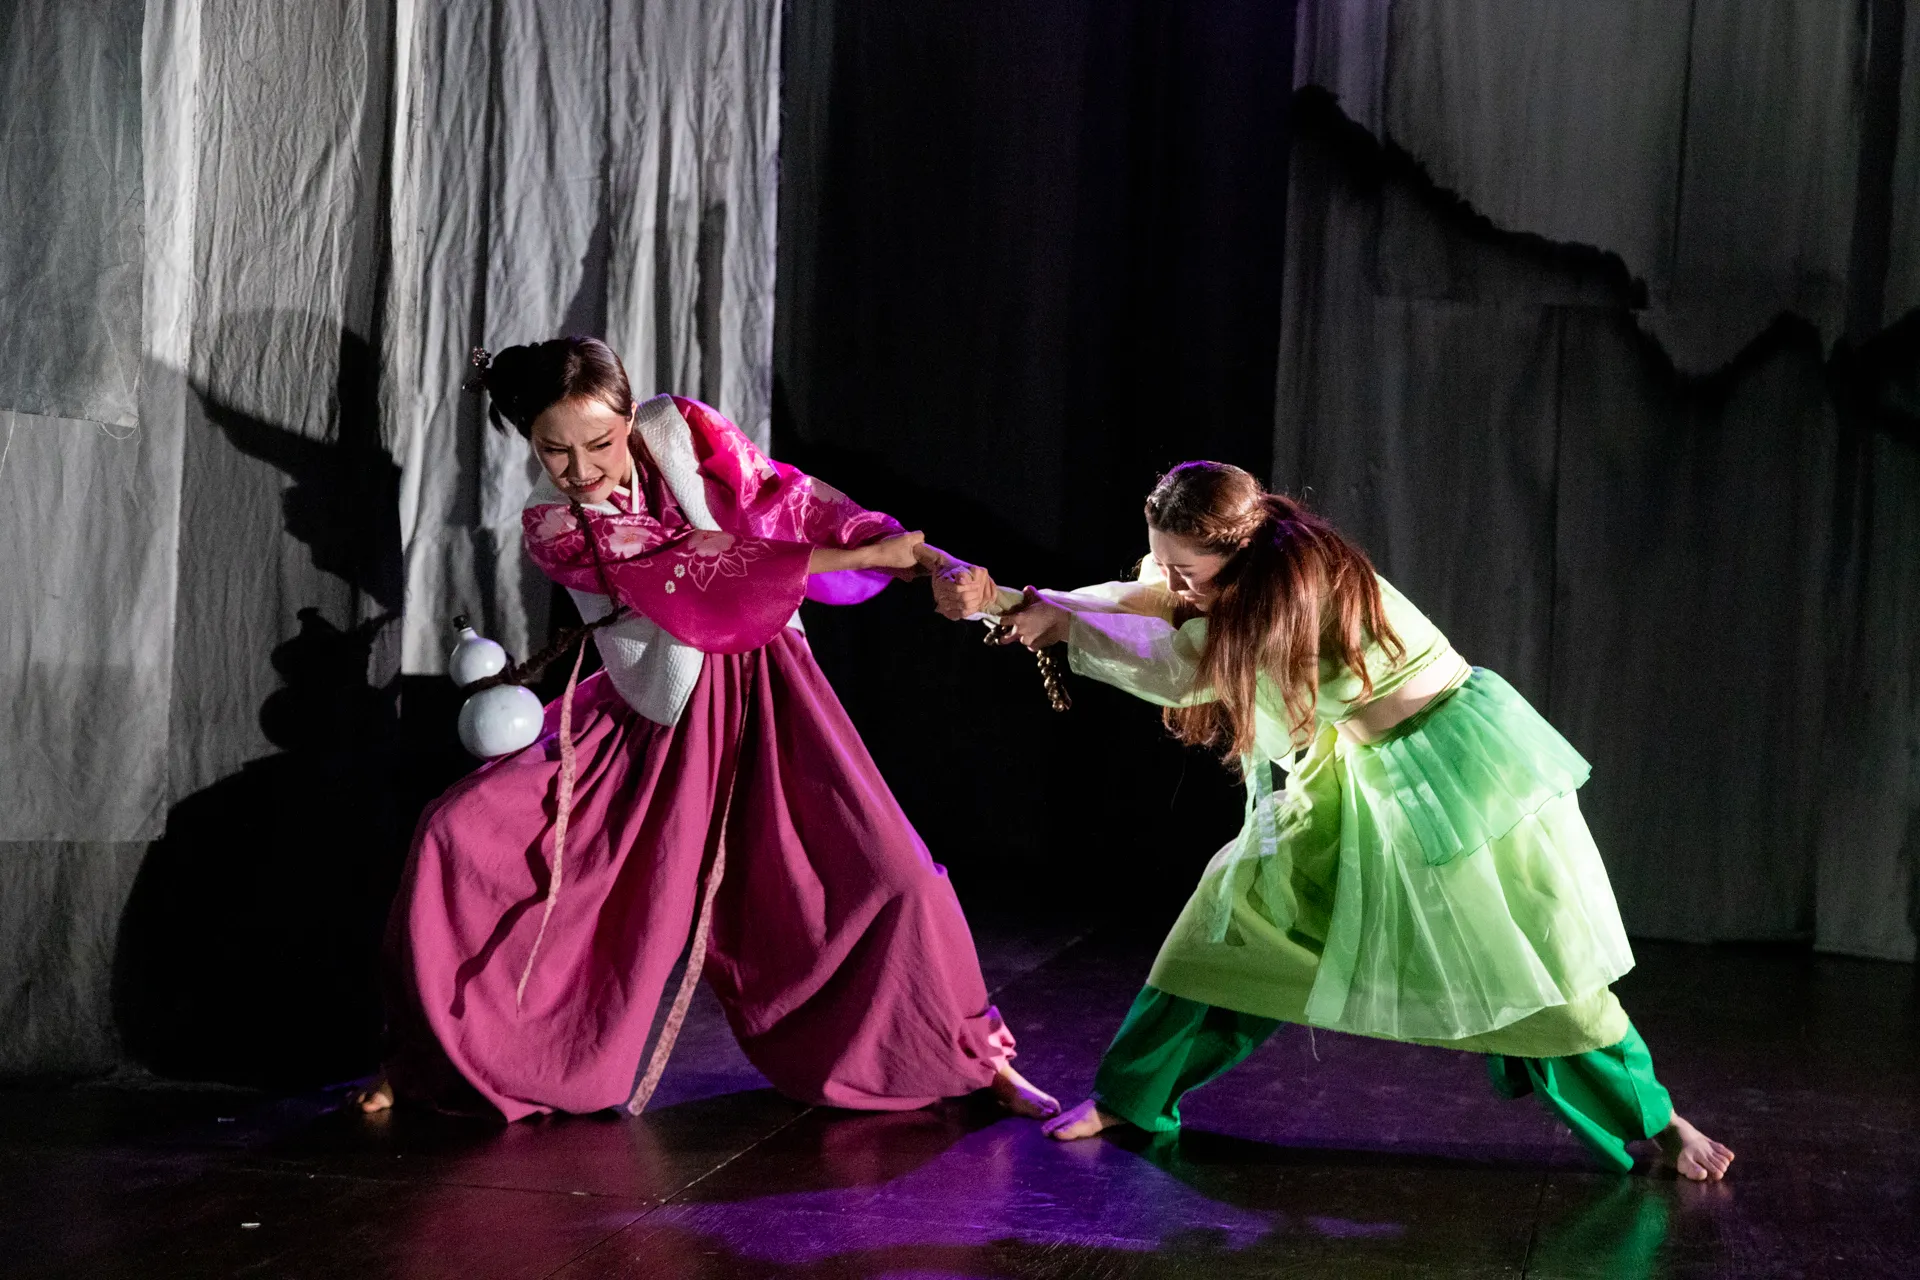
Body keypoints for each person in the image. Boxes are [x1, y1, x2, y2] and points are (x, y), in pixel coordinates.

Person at [935, 461, 1732, 1181]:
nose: (1174, 584)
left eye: (1187, 569)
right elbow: (1150, 602)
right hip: (1355, 769)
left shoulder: (1298, 590)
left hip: (1449, 776)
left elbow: (1187, 667)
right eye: (1166, 561)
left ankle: (1660, 1122)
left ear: (1235, 552)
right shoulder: (1238, 564)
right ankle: (1132, 1096)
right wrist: (1019, 601)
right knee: (1231, 917)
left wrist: (1063, 624)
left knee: (1533, 968)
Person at [355, 337, 1056, 1122]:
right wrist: (862, 557)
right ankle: (427, 1062)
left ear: (629, 414)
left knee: (895, 877)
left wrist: (917, 558)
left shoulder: (679, 431)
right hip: (657, 730)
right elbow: (698, 565)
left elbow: (787, 502)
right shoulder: (557, 526)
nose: (582, 470)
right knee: (461, 832)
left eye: (599, 443)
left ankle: (971, 1057)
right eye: (555, 453)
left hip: (770, 695)